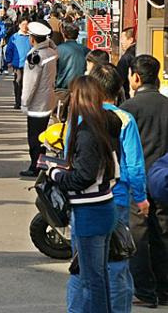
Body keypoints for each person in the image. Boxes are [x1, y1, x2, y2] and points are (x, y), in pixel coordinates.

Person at [47, 76, 120, 313]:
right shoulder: (106, 123)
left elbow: (83, 176)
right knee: (99, 276)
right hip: (104, 204)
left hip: (90, 210)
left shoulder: (87, 131)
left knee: (91, 279)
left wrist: (55, 173)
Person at [85, 63, 150, 313]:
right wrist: (142, 197)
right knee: (116, 262)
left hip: (86, 199)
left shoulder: (82, 116)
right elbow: (134, 165)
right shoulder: (125, 118)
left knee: (86, 265)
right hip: (117, 198)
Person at [120, 55, 168, 308]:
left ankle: (145, 291)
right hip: (164, 180)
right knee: (163, 234)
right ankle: (164, 288)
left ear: (135, 77)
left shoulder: (129, 108)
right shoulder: (166, 105)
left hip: (138, 181)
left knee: (138, 235)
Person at [19, 21, 58, 177]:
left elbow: (30, 83)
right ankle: (40, 164)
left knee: (34, 138)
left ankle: (35, 166)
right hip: (49, 99)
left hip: (37, 103)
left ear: (32, 39)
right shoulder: (51, 52)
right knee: (41, 135)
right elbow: (54, 47)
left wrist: (24, 102)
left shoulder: (34, 56)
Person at [54, 22, 88, 121]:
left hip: (61, 89)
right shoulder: (85, 50)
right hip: (80, 90)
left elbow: (53, 70)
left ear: (64, 34)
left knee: (58, 120)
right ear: (77, 35)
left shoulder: (57, 50)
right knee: (77, 120)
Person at [5, 16, 32, 110]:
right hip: (18, 64)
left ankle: (26, 102)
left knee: (28, 84)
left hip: (30, 65)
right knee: (18, 82)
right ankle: (18, 102)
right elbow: (9, 50)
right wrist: (9, 61)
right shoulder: (14, 37)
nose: (25, 26)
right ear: (19, 25)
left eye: (26, 24)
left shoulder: (31, 37)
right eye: (23, 24)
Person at [116, 28, 137, 100]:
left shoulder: (127, 57)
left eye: (122, 38)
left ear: (130, 40)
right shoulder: (137, 52)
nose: (121, 41)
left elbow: (119, 79)